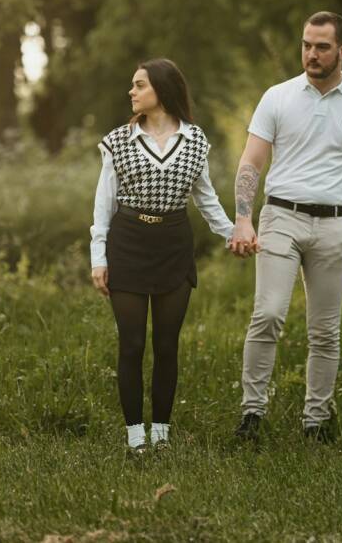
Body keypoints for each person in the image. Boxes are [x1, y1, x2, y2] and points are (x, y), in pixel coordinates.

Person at [230, 11, 342, 442]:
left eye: (321, 46)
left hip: (334, 226)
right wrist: (244, 218)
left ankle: (316, 422)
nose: (311, 54)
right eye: (306, 44)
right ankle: (252, 416)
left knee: (325, 331)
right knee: (267, 314)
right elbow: (251, 162)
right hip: (280, 216)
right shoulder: (278, 97)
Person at [90, 58, 234, 454]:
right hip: (128, 243)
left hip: (173, 245)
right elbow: (103, 204)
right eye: (132, 86)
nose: (131, 92)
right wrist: (97, 257)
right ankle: (135, 433)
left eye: (139, 85)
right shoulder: (118, 141)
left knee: (167, 344)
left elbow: (206, 199)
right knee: (132, 344)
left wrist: (232, 235)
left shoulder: (195, 141)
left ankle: (162, 432)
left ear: (161, 89)